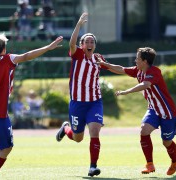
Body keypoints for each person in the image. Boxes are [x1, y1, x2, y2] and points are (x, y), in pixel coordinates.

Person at [0, 33, 63, 180]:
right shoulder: (8, 58)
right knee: (6, 147)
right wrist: (48, 47)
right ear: (4, 49)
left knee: (1, 145)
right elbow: (27, 55)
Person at [96, 47, 176, 175]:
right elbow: (121, 69)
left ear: (145, 61)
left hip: (167, 112)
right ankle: (150, 164)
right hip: (153, 109)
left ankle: (175, 161)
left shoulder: (154, 71)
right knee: (144, 130)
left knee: (166, 141)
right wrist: (104, 64)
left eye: (137, 59)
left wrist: (126, 91)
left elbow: (145, 85)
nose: (135, 60)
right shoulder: (138, 71)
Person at [56, 12, 108, 177]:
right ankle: (66, 128)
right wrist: (79, 24)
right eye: (87, 41)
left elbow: (110, 67)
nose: (90, 43)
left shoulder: (98, 58)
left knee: (95, 131)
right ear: (82, 45)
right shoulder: (77, 55)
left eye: (92, 41)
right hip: (78, 103)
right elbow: (71, 44)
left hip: (95, 102)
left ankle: (93, 166)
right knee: (78, 138)